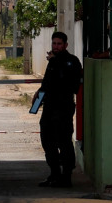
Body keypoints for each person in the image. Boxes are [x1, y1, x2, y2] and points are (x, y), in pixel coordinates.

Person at [36, 29, 84, 187]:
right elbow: (47, 83)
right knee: (47, 141)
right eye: (54, 43)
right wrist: (38, 96)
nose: (56, 46)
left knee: (63, 142)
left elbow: (70, 83)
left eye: (59, 44)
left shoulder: (71, 61)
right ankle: (54, 173)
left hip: (63, 108)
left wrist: (55, 61)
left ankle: (66, 176)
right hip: (49, 107)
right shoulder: (52, 61)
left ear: (65, 45)